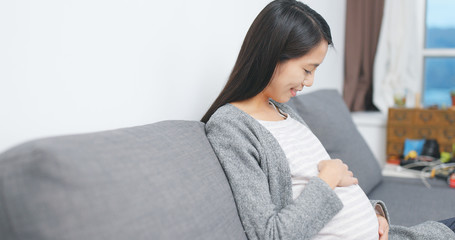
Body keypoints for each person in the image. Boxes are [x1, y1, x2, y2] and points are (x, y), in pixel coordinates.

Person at [202, 0, 455, 239]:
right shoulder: (231, 127)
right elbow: (272, 234)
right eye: (307, 69)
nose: (310, 81)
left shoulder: (286, 112)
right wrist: (328, 178)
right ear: (273, 55)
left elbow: (324, 188)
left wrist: (375, 213)